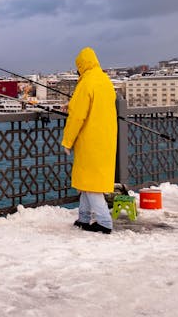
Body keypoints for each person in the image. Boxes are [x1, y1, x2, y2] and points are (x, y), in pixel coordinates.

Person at [61, 47, 118, 234]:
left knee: (92, 185)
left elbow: (78, 116)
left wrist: (67, 142)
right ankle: (84, 218)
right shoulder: (105, 80)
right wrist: (71, 105)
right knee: (88, 180)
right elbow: (95, 106)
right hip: (107, 138)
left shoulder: (85, 83)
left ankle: (104, 222)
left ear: (82, 65)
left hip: (90, 140)